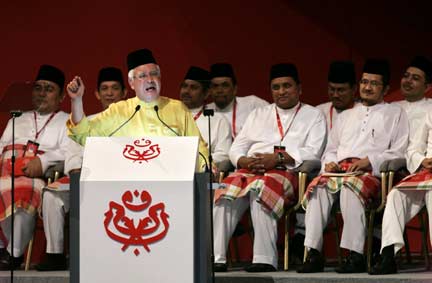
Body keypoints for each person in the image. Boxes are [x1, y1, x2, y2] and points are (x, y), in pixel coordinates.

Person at [297, 59, 409, 274]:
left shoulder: (395, 113)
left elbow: (399, 151)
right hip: (339, 170)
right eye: (364, 82)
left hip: (370, 174)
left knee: (350, 188)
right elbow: (331, 148)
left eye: (374, 84)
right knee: (317, 188)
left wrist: (370, 160)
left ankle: (355, 254)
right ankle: (313, 252)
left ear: (385, 89)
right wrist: (329, 162)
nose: (367, 87)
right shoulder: (347, 114)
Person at [213, 63, 327, 272]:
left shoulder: (313, 115)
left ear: (299, 89)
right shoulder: (259, 114)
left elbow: (314, 152)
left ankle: (264, 258)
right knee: (224, 194)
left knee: (261, 190)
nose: (281, 91)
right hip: (251, 169)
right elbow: (237, 147)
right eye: (276, 87)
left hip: (287, 172)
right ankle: (216, 258)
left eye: (287, 86)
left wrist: (278, 158)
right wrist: (243, 161)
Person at [35, 66, 129, 271]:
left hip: (122, 183)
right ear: (97, 93)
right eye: (105, 88)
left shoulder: (134, 121)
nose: (110, 93)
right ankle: (55, 253)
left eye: (115, 88)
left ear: (125, 93)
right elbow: (73, 152)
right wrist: (77, 171)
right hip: (85, 179)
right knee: (51, 195)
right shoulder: (85, 121)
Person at [66, 48, 208, 170]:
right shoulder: (119, 110)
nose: (150, 79)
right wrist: (77, 100)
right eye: (142, 76)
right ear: (131, 83)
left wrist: (206, 168)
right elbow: (85, 135)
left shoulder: (177, 108)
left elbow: (198, 149)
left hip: (172, 183)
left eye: (154, 74)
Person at [0, 65, 81, 270]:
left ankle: (14, 253)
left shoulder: (67, 121)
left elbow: (67, 151)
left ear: (61, 95)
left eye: (49, 88)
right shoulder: (17, 118)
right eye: (38, 88)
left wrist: (43, 162)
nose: (42, 93)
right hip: (7, 170)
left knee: (24, 191)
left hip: (40, 176)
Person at [370, 57, 432, 275]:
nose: (408, 81)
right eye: (406, 76)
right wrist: (421, 160)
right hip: (414, 170)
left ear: (427, 87)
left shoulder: (429, 108)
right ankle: (388, 254)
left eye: (415, 78)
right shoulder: (391, 108)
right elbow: (414, 147)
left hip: (421, 174)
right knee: (395, 196)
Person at [291, 60, 358, 263]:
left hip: (352, 172)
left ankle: (357, 252)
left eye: (341, 90)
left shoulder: (363, 113)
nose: (335, 94)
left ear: (354, 90)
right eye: (331, 89)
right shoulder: (318, 111)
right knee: (312, 183)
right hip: (321, 170)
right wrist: (327, 163)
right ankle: (309, 248)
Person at [180, 66, 232, 172]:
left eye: (193, 87)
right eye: (184, 86)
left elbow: (224, 157)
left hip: (202, 177)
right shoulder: (167, 116)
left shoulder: (218, 120)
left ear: (206, 93)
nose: (186, 91)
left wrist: (193, 163)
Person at [206, 63, 268, 139]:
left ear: (235, 89)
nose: (219, 90)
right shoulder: (205, 111)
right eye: (215, 86)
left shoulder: (253, 104)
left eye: (225, 85)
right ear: (210, 90)